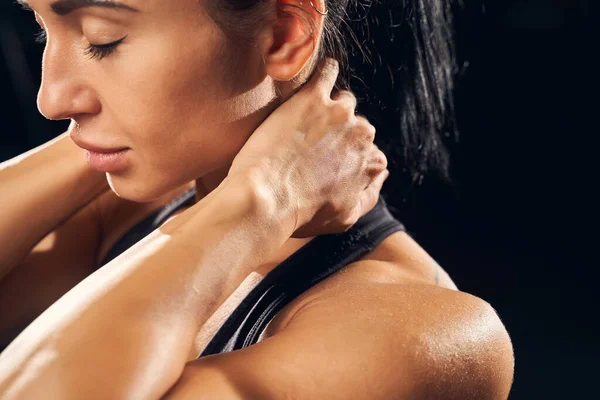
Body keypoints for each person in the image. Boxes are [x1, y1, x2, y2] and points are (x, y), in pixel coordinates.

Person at [0, 0, 514, 399]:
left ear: (285, 34)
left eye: (102, 41)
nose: (52, 98)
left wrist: (263, 199)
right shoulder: (122, 213)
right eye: (45, 29)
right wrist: (97, 149)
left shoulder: (418, 333)